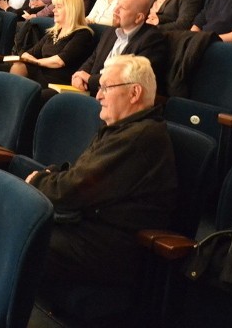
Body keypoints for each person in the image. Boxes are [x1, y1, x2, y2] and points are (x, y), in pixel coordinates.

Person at [28, 54, 176, 292]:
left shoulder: (138, 138)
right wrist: (51, 176)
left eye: (106, 87)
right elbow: (81, 177)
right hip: (88, 226)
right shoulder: (124, 129)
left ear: (134, 93)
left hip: (108, 245)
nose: (98, 96)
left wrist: (38, 180)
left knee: (19, 236)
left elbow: (72, 189)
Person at [71, 0, 168, 96]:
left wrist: (90, 80)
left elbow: (130, 77)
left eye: (122, 8)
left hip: (118, 98)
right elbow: (94, 58)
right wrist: (78, 75)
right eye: (117, 4)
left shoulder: (152, 40)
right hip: (91, 91)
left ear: (138, 17)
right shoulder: (110, 31)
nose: (115, 10)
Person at [0, 0, 92, 88]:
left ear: (71, 10)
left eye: (59, 7)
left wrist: (36, 62)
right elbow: (28, 54)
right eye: (54, 7)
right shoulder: (54, 32)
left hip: (56, 78)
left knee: (19, 67)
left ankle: (10, 100)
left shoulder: (82, 34)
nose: (54, 10)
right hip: (40, 70)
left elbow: (59, 61)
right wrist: (33, 60)